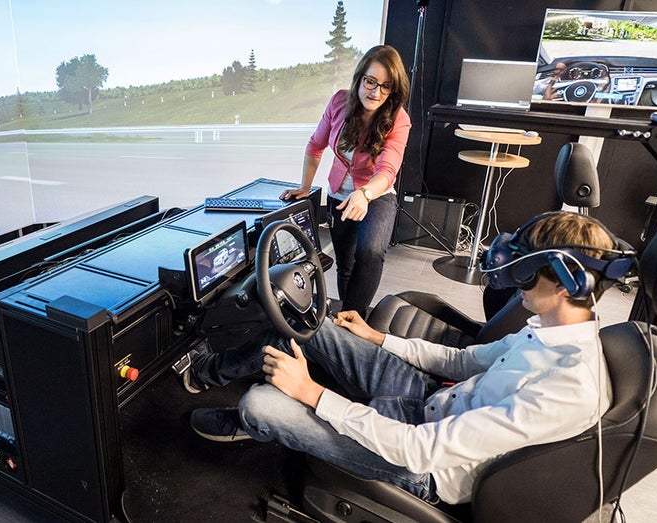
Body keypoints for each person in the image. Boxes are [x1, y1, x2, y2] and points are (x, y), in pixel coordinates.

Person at [184, 211, 629, 505]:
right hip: (432, 398)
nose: (516, 280)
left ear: (570, 285)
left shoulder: (569, 386)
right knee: (313, 323)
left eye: (527, 272)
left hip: (424, 464)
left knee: (259, 403)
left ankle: (253, 424)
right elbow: (463, 362)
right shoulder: (550, 331)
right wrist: (379, 338)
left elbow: (421, 451)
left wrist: (312, 392)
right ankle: (207, 372)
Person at [280, 44, 411, 316]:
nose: (375, 92)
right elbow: (315, 145)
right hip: (340, 196)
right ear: (359, 78)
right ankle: (347, 315)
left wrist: (364, 195)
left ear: (393, 90)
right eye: (370, 81)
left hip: (376, 195)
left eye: (385, 87)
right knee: (346, 263)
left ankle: (353, 317)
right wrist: (305, 188)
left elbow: (388, 169)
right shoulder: (339, 102)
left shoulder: (399, 120)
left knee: (371, 252)